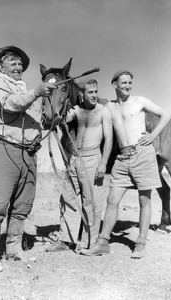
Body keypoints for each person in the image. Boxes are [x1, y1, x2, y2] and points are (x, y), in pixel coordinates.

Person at [0, 45, 56, 273]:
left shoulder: (24, 90)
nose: (18, 66)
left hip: (28, 153)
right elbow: (10, 105)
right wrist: (36, 93)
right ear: (0, 67)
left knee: (22, 205)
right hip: (3, 150)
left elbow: (34, 117)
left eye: (20, 63)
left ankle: (13, 250)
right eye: (12, 62)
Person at [81, 70, 171, 258]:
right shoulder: (109, 108)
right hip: (122, 158)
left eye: (130, 83)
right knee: (112, 199)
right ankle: (102, 242)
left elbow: (165, 115)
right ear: (115, 85)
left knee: (144, 199)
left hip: (142, 154)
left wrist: (153, 135)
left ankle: (140, 244)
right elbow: (88, 103)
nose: (128, 86)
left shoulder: (139, 101)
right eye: (124, 83)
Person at [45, 78, 113, 252]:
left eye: (96, 92)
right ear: (82, 94)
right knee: (68, 197)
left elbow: (109, 139)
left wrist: (103, 163)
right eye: (90, 92)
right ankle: (67, 240)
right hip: (75, 158)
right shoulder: (77, 110)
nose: (94, 95)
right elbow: (60, 118)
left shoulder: (103, 111)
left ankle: (89, 243)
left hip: (92, 158)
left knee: (91, 201)